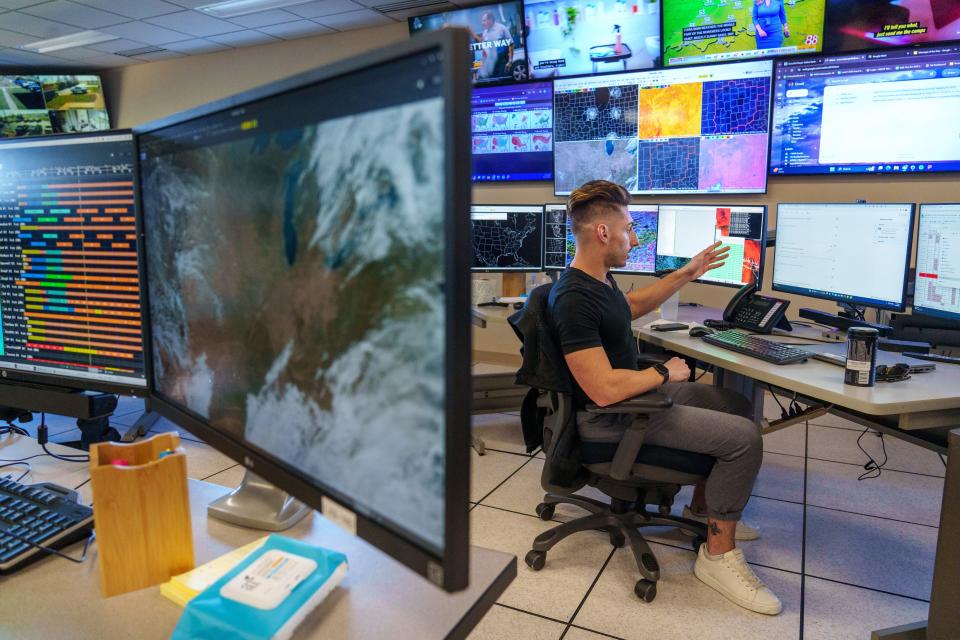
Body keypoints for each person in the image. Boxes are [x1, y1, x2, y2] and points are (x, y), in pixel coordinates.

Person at [547, 180, 781, 615]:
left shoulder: (596, 280)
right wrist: (662, 371)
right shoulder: (574, 299)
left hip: (626, 403)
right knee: (744, 438)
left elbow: (628, 309)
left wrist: (687, 273)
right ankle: (717, 557)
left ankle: (702, 510)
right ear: (603, 233)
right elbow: (602, 389)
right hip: (610, 419)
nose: (634, 238)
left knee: (735, 404)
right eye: (629, 228)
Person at [474, 11, 515, 81]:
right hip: (491, 64)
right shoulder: (485, 32)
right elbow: (484, 51)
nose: (482, 23)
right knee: (493, 83)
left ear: (490, 20)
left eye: (484, 20)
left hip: (502, 61)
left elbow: (511, 44)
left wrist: (510, 61)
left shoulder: (502, 28)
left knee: (503, 82)